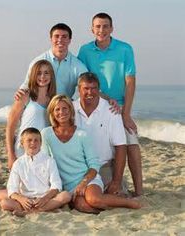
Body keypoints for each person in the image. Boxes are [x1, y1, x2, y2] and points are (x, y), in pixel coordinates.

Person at [78, 12, 143, 196]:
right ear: (92, 29)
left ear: (112, 28)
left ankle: (139, 192)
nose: (102, 30)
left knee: (131, 143)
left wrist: (126, 113)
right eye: (98, 26)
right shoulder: (85, 50)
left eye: (105, 26)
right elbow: (84, 80)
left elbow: (130, 81)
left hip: (119, 106)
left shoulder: (125, 49)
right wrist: (105, 99)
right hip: (97, 102)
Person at [41, 95, 141, 213]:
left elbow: (94, 164)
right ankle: (114, 203)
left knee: (94, 199)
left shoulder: (82, 134)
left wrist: (84, 182)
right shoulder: (46, 134)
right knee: (84, 206)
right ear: (52, 112)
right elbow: (46, 163)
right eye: (57, 109)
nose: (61, 112)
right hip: (68, 184)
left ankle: (132, 203)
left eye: (65, 108)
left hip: (88, 179)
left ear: (70, 111)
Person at [0, 128, 71, 215]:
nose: (33, 143)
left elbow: (56, 185)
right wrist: (22, 199)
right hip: (25, 199)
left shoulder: (49, 161)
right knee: (5, 203)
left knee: (65, 196)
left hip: (44, 199)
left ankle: (29, 212)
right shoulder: (18, 163)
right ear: (22, 143)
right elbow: (12, 188)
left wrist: (45, 198)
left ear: (41, 143)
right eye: (29, 140)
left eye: (36, 140)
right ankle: (33, 210)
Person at [73, 72, 127, 196]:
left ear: (98, 89)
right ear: (78, 90)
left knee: (115, 195)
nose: (90, 92)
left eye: (94, 88)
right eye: (86, 88)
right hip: (78, 169)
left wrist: (117, 181)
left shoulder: (111, 111)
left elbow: (121, 147)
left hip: (104, 168)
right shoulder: (70, 109)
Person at [6, 59, 56, 170]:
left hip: (43, 152)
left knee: (39, 187)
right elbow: (10, 126)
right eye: (39, 73)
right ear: (33, 75)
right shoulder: (25, 96)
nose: (42, 76)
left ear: (51, 76)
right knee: (20, 187)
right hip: (23, 149)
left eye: (46, 73)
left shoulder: (53, 100)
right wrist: (10, 154)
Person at [17, 23, 87, 99]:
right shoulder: (38, 61)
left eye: (64, 37)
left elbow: (87, 87)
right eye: (56, 36)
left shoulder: (78, 66)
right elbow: (26, 86)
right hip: (39, 105)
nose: (60, 40)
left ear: (69, 40)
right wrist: (21, 92)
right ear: (51, 39)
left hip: (62, 108)